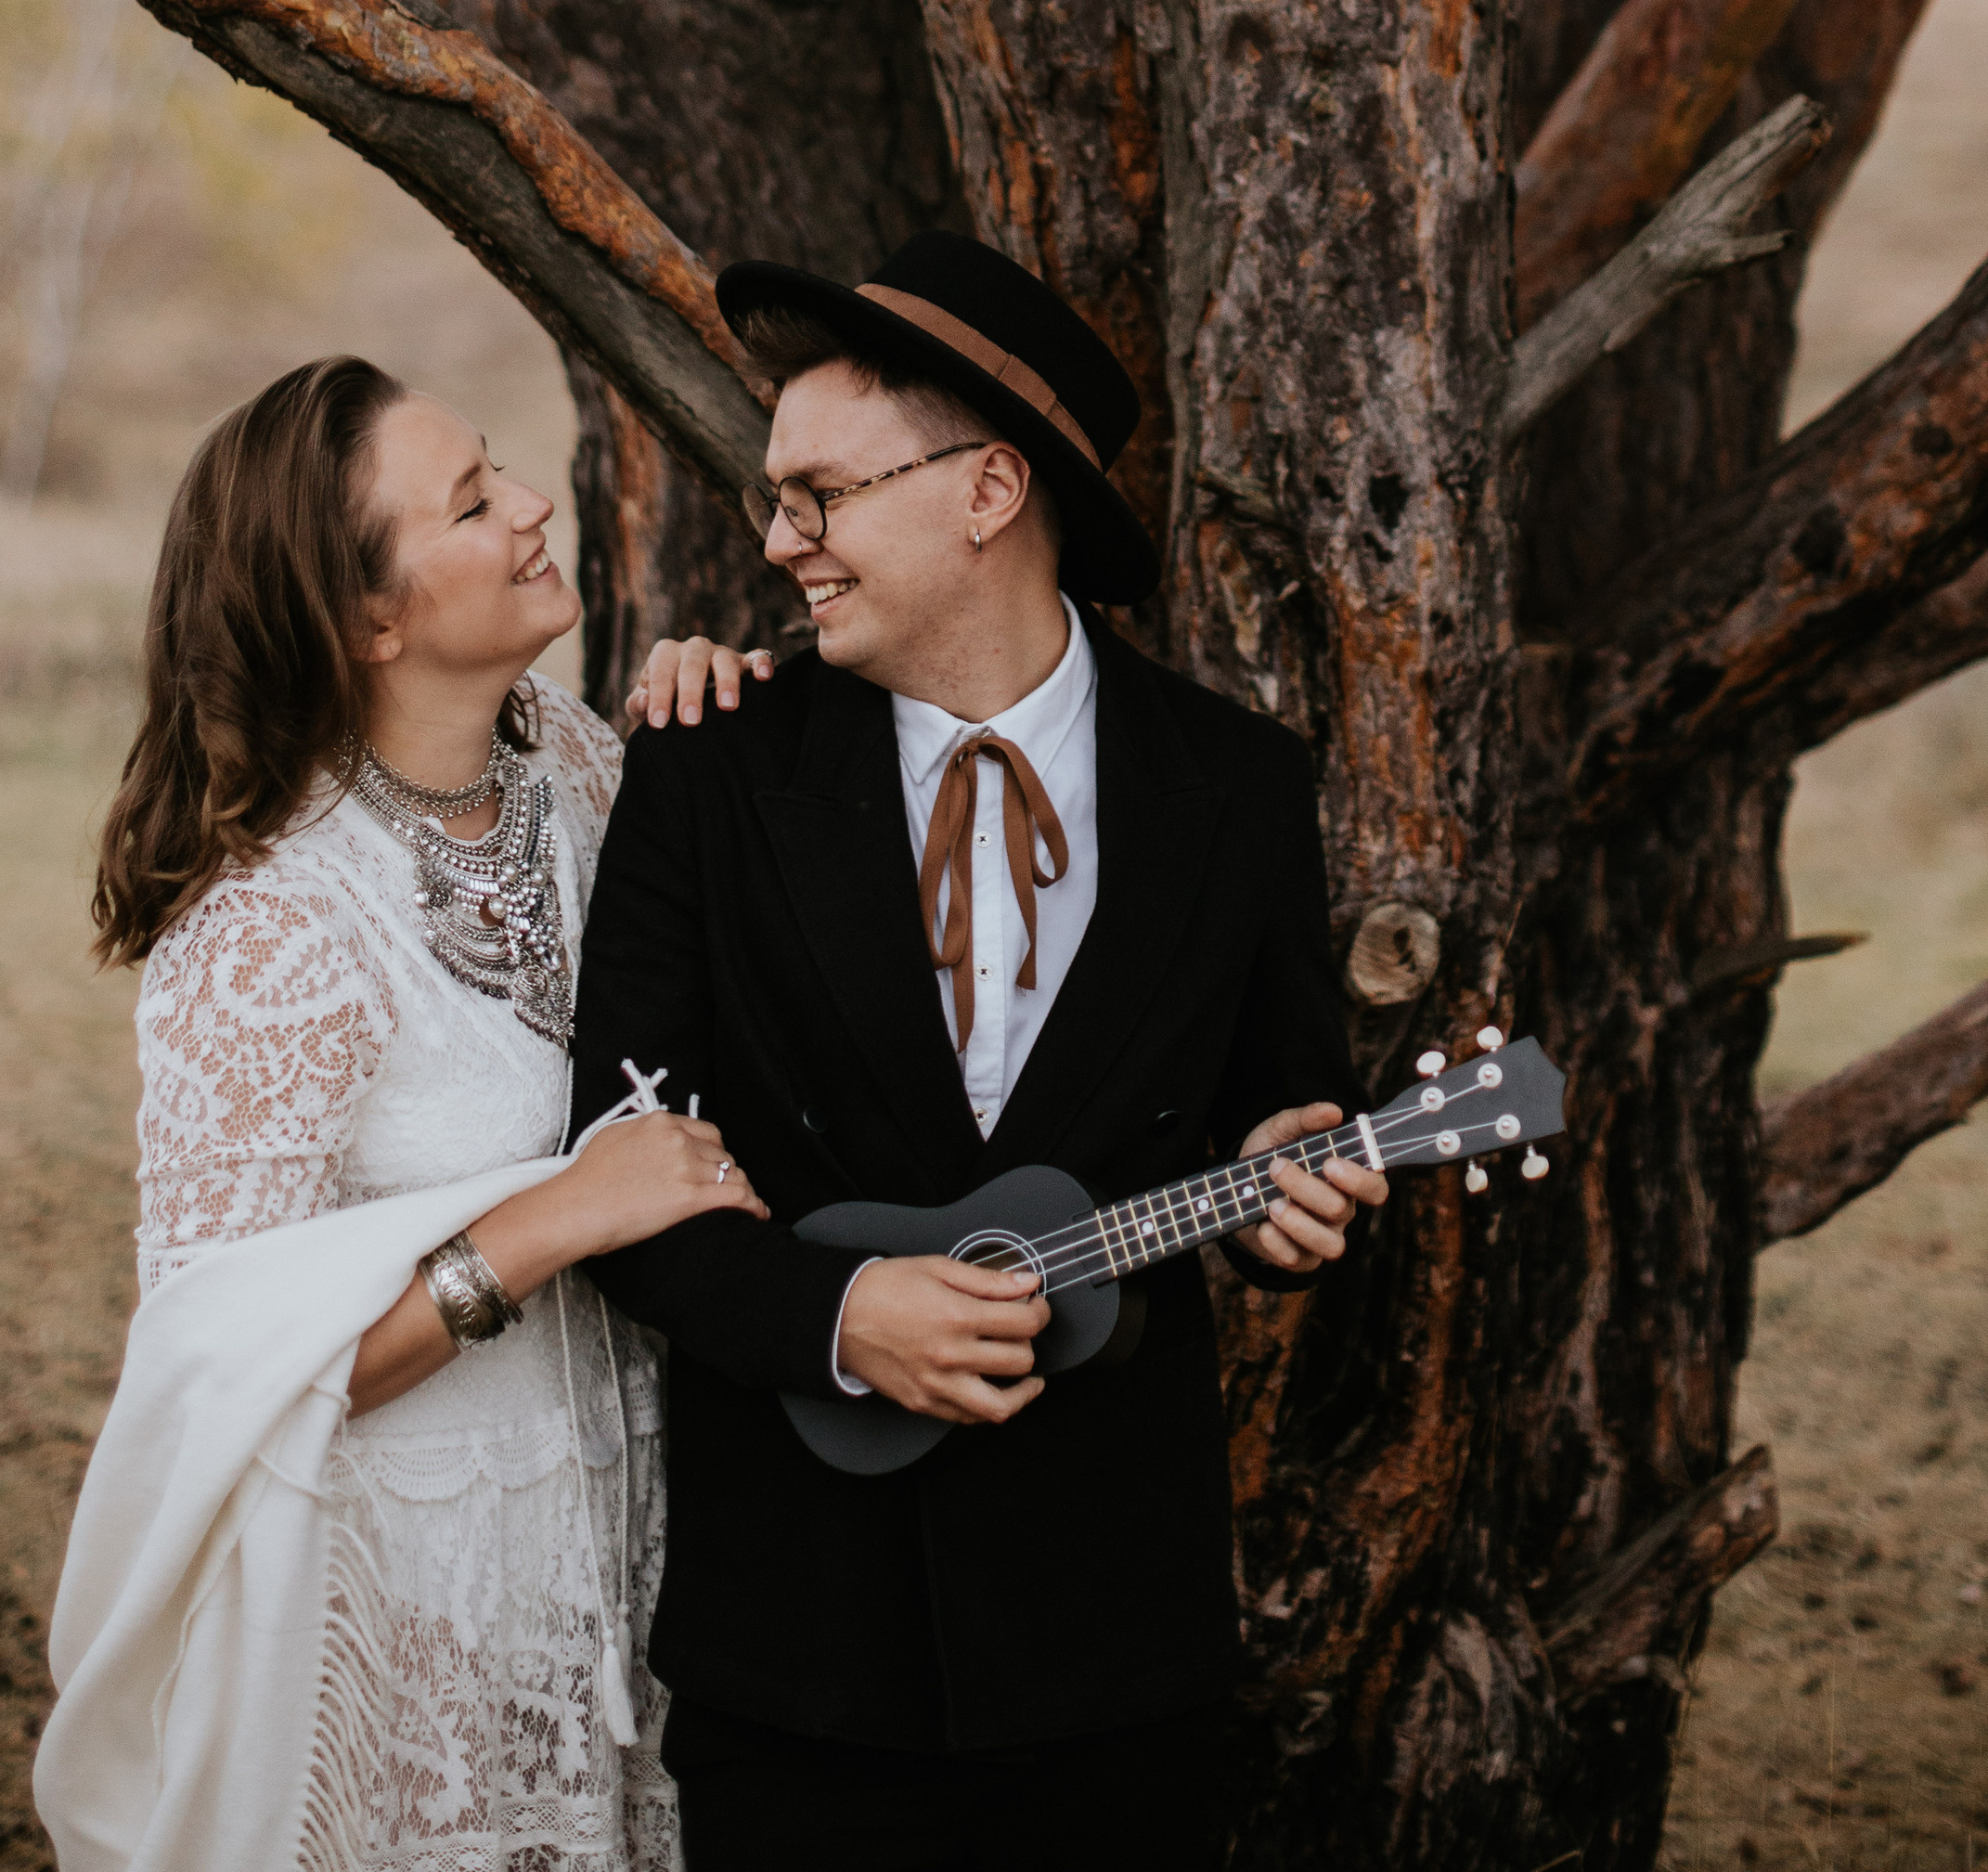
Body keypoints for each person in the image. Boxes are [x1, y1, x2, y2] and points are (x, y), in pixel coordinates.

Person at [572, 232, 1385, 1870]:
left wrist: (1294, 1194)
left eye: (821, 495)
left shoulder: (1239, 789)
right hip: (798, 1640)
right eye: (777, 499)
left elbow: (1279, 1111)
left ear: (990, 491)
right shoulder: (710, 770)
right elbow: (614, 1170)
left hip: (1112, 1639)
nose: (779, 540)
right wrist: (834, 1316)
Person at [34, 356, 766, 1872]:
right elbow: (227, 1380)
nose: (535, 503)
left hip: (631, 1552)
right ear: (369, 620)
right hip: (424, 1596)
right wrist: (556, 1219)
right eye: (474, 503)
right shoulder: (274, 928)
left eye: (501, 471)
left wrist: (724, 727)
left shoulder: (577, 765)